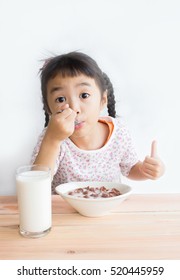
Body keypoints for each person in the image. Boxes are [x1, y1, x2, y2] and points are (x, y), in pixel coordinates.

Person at [31, 51, 165, 193]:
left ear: (102, 100)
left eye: (84, 95)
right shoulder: (51, 138)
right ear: (48, 108)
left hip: (107, 210)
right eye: (60, 99)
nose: (74, 108)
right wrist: (52, 140)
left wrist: (146, 170)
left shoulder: (118, 132)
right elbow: (35, 185)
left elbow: (131, 169)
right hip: (65, 212)